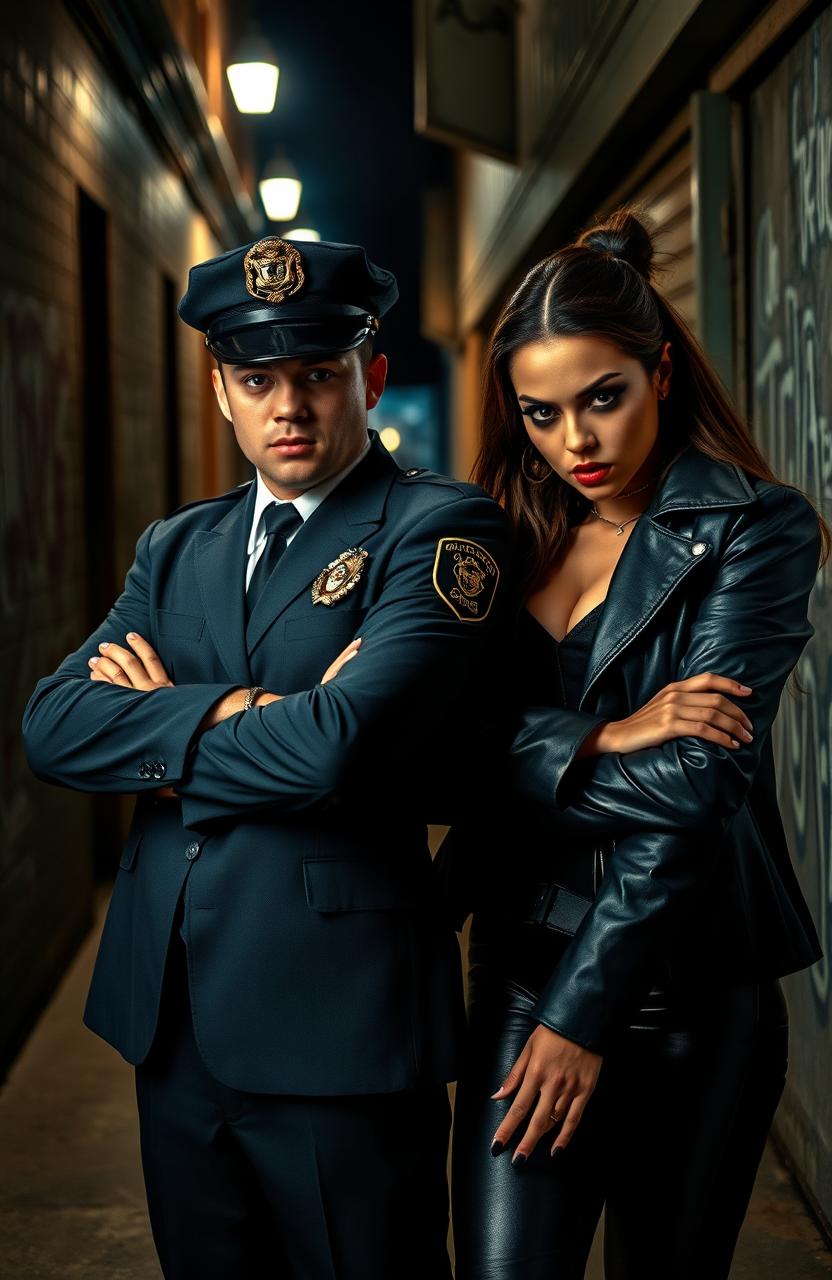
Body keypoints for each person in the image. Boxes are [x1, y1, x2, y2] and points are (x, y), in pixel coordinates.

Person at [22, 235, 510, 1280]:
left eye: (318, 376)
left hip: (338, 1018)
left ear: (369, 379)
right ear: (221, 394)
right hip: (175, 1016)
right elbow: (53, 725)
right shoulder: (177, 547)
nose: (288, 406)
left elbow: (337, 748)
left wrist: (159, 720)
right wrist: (246, 708)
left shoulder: (436, 531)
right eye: (258, 379)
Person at [442, 208, 827, 1279]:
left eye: (602, 398)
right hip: (519, 968)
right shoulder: (487, 535)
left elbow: (697, 788)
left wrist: (585, 1011)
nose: (578, 443)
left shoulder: (754, 529)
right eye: (542, 412)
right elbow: (438, 751)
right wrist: (602, 734)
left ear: (660, 371)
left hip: (693, 987)